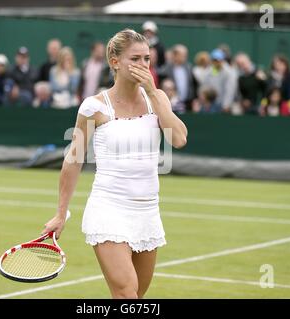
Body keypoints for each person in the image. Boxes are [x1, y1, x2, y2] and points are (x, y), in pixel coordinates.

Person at [42, 29, 187, 299]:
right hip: (108, 209)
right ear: (115, 61)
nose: (143, 65)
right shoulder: (93, 107)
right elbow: (73, 160)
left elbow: (178, 139)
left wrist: (154, 93)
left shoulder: (158, 98)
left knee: (135, 297)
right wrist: (61, 214)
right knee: (126, 294)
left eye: (147, 59)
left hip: (148, 212)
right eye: (136, 59)